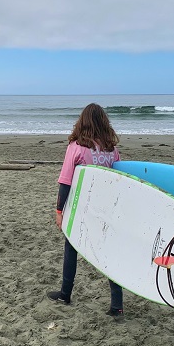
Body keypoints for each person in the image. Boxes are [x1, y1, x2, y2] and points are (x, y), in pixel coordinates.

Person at [47, 103, 124, 317]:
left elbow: (65, 182)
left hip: (82, 206)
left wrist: (59, 210)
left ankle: (65, 293)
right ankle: (117, 304)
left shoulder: (76, 147)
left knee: (71, 247)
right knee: (108, 253)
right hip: (106, 208)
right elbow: (118, 179)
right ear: (104, 123)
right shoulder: (112, 150)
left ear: (83, 122)